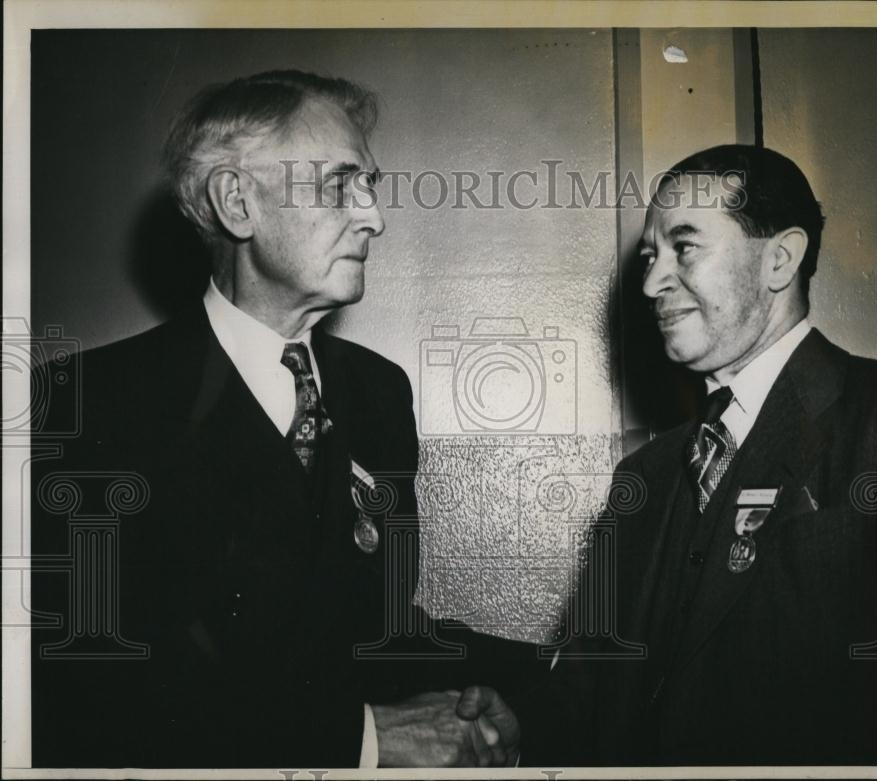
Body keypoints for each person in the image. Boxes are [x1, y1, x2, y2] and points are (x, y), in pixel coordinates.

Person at [31, 70, 522, 769]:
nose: (374, 217)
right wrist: (362, 741)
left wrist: (525, 683)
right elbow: (85, 690)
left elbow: (373, 631)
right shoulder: (83, 404)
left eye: (370, 186)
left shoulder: (378, 393)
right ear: (237, 202)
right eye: (338, 185)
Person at [519, 144, 877, 766]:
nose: (651, 283)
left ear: (779, 259)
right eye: (651, 256)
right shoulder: (643, 477)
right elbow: (592, 694)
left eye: (685, 247)